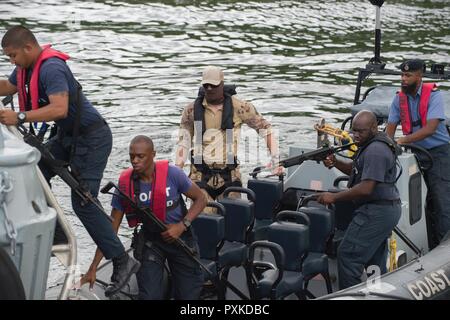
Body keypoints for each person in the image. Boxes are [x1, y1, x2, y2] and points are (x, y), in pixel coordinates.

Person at [0, 26, 139, 296]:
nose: (12, 62)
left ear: (28, 48)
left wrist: (18, 117)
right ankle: (49, 228)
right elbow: (7, 86)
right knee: (34, 169)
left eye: (13, 55)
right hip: (67, 136)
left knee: (83, 201)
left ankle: (123, 261)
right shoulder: (26, 67)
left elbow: (59, 108)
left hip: (92, 138)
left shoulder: (51, 68)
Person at [81, 135, 207, 299]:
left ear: (153, 155)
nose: (135, 160)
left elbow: (201, 199)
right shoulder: (126, 185)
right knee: (148, 295)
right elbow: (111, 229)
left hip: (181, 240)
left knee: (188, 294)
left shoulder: (173, 174)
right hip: (151, 242)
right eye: (132, 156)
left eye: (140, 156)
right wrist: (93, 267)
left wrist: (182, 225)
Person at [315, 110, 401, 290]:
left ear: (374, 128)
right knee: (374, 258)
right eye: (354, 131)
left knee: (348, 255)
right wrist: (335, 162)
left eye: (360, 131)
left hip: (377, 211)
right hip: (383, 209)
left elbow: (366, 187)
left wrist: (334, 197)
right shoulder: (370, 144)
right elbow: (357, 172)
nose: (355, 135)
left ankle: (351, 295)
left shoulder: (376, 150)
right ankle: (376, 292)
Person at [175, 65, 282, 209]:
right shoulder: (191, 110)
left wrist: (276, 161)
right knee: (203, 222)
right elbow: (184, 142)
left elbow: (266, 130)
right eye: (206, 86)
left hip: (229, 175)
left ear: (222, 84)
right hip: (199, 175)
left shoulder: (240, 107)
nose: (209, 89)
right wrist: (176, 171)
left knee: (233, 220)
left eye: (213, 85)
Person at [386, 59, 450, 249]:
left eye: (408, 75)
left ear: (419, 76)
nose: (403, 79)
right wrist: (386, 145)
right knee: (411, 200)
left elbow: (430, 129)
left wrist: (403, 140)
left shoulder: (434, 96)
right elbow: (389, 131)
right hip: (414, 153)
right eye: (402, 75)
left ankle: (444, 249)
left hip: (439, 153)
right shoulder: (399, 99)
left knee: (441, 202)